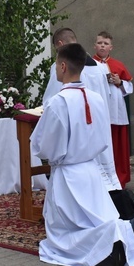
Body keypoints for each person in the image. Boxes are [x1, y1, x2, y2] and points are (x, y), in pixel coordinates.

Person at [31, 43, 134, 266]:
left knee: (62, 233)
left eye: (57, 65)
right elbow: (104, 138)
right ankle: (126, 233)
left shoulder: (58, 102)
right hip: (91, 171)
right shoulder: (96, 98)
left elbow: (43, 145)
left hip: (68, 175)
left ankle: (110, 241)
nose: (56, 69)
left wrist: (48, 152)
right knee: (98, 216)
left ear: (63, 66)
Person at [42, 27, 121, 191]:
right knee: (103, 175)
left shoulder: (61, 66)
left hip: (77, 131)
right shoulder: (99, 67)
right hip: (98, 129)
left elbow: (52, 101)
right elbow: (106, 96)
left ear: (60, 44)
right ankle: (112, 197)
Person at [92, 31, 133, 188]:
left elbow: (130, 86)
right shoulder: (89, 64)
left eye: (106, 43)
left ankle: (120, 179)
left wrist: (119, 82)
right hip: (99, 109)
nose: (102, 45)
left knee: (118, 146)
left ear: (111, 47)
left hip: (115, 111)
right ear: (94, 45)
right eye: (100, 42)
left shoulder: (118, 64)